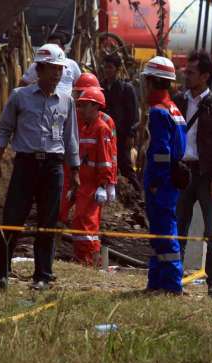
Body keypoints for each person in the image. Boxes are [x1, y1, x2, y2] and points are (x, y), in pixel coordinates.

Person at [0, 44, 80, 290]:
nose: (57, 75)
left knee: (48, 222)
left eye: (60, 70)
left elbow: (70, 137)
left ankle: (43, 276)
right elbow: (4, 130)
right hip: (26, 164)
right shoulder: (20, 96)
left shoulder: (66, 101)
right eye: (52, 69)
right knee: (13, 218)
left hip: (53, 167)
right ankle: (1, 273)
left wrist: (75, 171)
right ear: (39, 69)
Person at [174, 51, 212, 299]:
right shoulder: (178, 101)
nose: (186, 75)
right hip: (182, 172)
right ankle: (174, 277)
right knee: (178, 226)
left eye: (191, 72)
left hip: (207, 174)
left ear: (205, 76)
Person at [141, 56, 187, 294]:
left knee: (164, 232)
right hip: (172, 179)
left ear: (151, 81)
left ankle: (170, 284)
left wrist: (157, 182)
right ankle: (157, 282)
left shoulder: (158, 112)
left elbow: (161, 152)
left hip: (162, 181)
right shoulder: (174, 109)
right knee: (162, 231)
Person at [60, 73, 118, 225]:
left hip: (89, 180)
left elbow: (110, 155)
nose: (80, 99)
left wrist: (109, 182)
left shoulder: (105, 122)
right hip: (68, 173)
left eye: (83, 94)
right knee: (58, 213)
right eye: (79, 94)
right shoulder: (71, 115)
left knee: (86, 219)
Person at [69, 87, 113, 265]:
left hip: (94, 186)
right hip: (83, 185)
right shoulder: (85, 128)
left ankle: (91, 261)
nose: (81, 110)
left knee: (89, 226)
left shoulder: (101, 129)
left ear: (95, 107)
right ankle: (81, 258)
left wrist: (104, 185)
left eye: (84, 106)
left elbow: (105, 160)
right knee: (79, 222)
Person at [100, 54, 140, 188]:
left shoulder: (127, 89)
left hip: (121, 135)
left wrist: (131, 134)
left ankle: (137, 196)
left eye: (110, 67)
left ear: (117, 69)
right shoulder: (101, 88)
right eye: (105, 67)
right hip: (104, 135)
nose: (107, 70)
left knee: (126, 165)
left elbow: (133, 114)